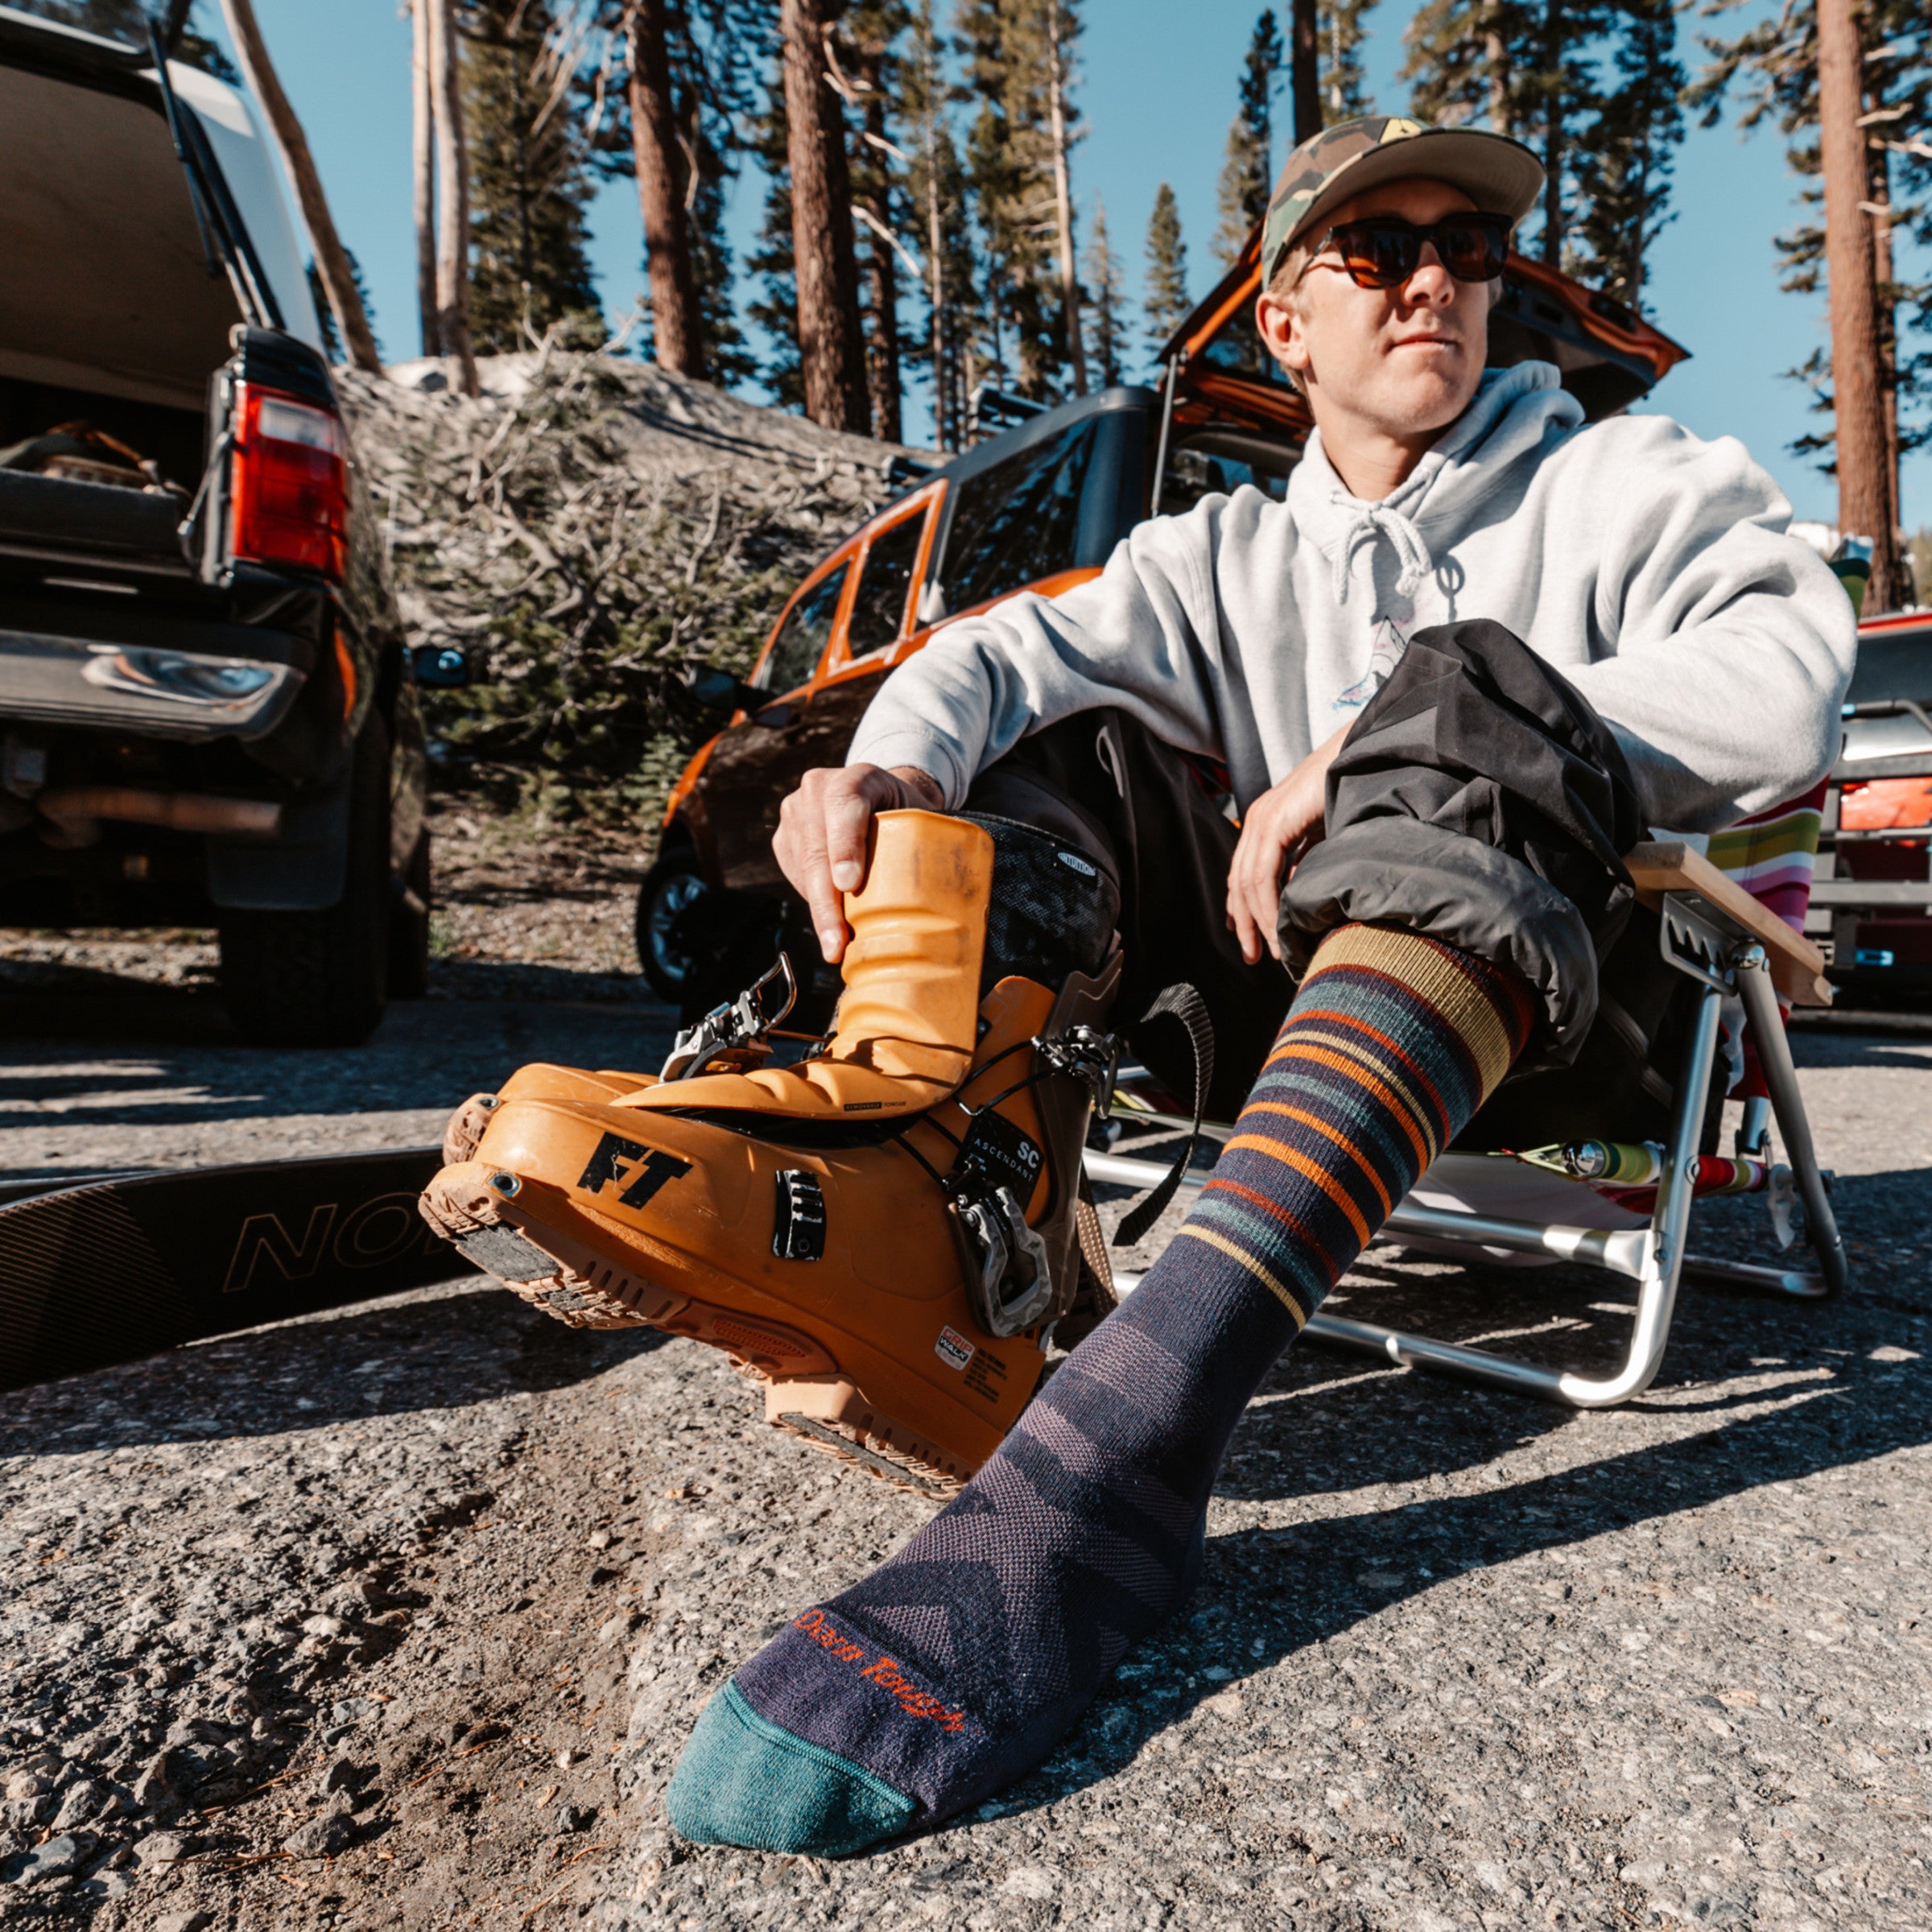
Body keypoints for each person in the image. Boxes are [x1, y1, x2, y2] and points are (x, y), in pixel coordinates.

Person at [653, 114, 1856, 1855]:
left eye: (1469, 247)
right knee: (1036, 752)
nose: (1437, 275)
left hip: (1576, 1006)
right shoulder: (1223, 552)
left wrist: (1401, 740)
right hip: (1300, 1012)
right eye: (1377, 250)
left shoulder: (1620, 476)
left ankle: (1127, 1447)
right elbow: (999, 648)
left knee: (1472, 694)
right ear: (1285, 322)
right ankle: (932, 1217)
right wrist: (890, 778)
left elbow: (1790, 673)